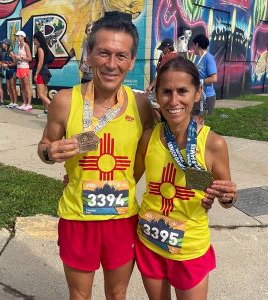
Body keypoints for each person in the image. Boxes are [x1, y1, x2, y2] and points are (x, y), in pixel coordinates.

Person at [37, 14, 155, 300]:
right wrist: (49, 153)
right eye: (103, 52)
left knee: (117, 295)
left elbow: (146, 158)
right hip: (77, 218)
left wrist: (119, 182)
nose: (111, 64)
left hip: (122, 219)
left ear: (131, 60)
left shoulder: (140, 105)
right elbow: (44, 146)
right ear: (89, 54)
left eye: (120, 55)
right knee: (79, 296)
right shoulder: (65, 101)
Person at [134, 56, 237, 300]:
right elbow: (128, 179)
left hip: (189, 248)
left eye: (183, 91)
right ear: (157, 95)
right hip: (150, 240)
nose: (174, 100)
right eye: (166, 92)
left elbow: (225, 198)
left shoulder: (213, 144)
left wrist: (228, 197)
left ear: (198, 93)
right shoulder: (148, 138)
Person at [192, 34, 217, 124]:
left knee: (197, 121)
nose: (192, 48)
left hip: (207, 96)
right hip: (198, 94)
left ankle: (200, 137)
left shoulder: (209, 58)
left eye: (193, 45)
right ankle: (198, 137)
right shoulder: (198, 58)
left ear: (197, 45)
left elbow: (214, 78)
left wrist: (200, 81)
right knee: (195, 121)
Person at [33, 31, 53, 118]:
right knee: (44, 93)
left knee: (41, 94)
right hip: (44, 71)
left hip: (41, 72)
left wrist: (36, 74)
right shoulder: (42, 48)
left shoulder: (40, 49)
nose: (33, 41)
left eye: (34, 39)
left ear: (37, 39)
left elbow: (40, 63)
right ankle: (46, 111)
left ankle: (55, 108)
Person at [13, 30, 33, 111]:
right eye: (17, 36)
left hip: (25, 68)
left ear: (22, 37)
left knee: (27, 86)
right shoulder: (18, 46)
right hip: (19, 68)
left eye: (18, 36)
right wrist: (15, 57)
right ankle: (24, 103)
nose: (17, 37)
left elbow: (30, 58)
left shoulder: (26, 45)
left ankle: (29, 104)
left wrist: (20, 58)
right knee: (22, 87)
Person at [1, 39, 18, 109]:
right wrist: (3, 64)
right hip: (7, 71)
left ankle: (15, 103)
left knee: (13, 87)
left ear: (6, 44)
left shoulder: (11, 52)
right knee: (8, 88)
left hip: (12, 71)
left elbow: (15, 63)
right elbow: (5, 62)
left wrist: (8, 65)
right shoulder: (5, 52)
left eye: (3, 43)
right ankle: (11, 102)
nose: (2, 44)